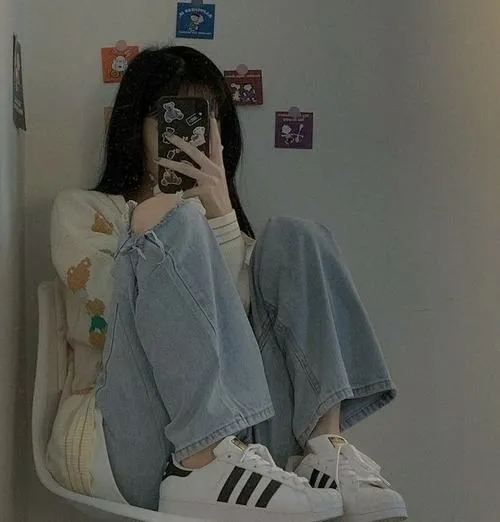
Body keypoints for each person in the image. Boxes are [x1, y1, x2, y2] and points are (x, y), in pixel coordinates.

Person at [46, 46, 408, 522]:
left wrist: (221, 219)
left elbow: (238, 346)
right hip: (129, 441)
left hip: (247, 455)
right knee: (166, 222)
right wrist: (171, 223)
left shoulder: (236, 235)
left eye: (206, 117)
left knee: (297, 237)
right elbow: (113, 319)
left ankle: (325, 449)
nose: (191, 134)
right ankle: (201, 460)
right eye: (175, 115)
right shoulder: (82, 211)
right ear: (137, 126)